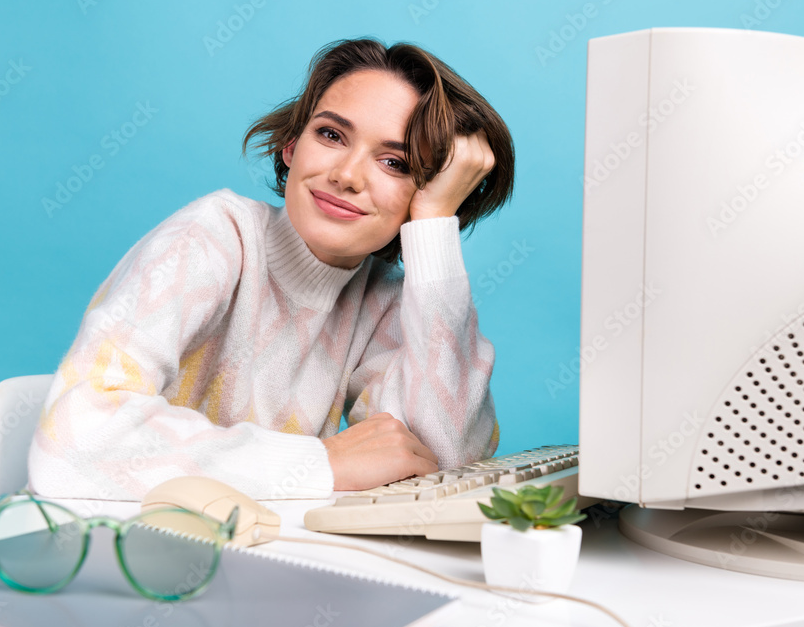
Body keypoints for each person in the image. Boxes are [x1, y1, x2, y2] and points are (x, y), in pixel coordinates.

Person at [27, 37, 515, 501]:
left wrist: (434, 228)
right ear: (290, 145)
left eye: (394, 163)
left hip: (248, 561)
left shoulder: (385, 299)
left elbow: (440, 460)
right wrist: (316, 463)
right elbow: (74, 439)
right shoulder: (213, 238)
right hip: (108, 555)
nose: (345, 175)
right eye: (330, 134)